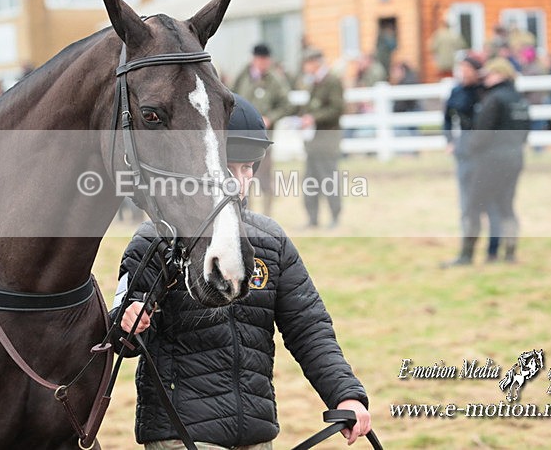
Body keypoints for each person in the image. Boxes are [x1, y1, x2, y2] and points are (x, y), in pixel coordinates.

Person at [112, 94, 371, 449]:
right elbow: (122, 334)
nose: (238, 180)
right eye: (228, 168)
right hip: (183, 434)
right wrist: (127, 321)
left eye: (247, 168)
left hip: (255, 433)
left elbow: (309, 328)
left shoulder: (272, 242)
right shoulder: (154, 240)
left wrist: (345, 395)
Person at [464, 58, 530, 263]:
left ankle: (466, 254)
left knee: (473, 206)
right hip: (515, 158)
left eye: (489, 75)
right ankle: (509, 253)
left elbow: (483, 132)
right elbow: (525, 132)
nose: (486, 79)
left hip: (492, 160)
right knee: (506, 207)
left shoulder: (494, 99)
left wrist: (471, 148)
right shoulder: (519, 100)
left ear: (500, 74)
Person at [441, 56, 499, 266]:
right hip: (465, 153)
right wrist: (449, 141)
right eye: (461, 69)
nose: (463, 73)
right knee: (467, 205)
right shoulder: (457, 92)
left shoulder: (485, 92)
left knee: (490, 204)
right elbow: (447, 118)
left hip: (484, 154)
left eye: (467, 69)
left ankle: (494, 250)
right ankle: (467, 252)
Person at [230, 43, 293, 216]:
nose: (263, 63)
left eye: (266, 60)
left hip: (263, 140)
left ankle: (266, 216)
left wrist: (270, 118)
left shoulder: (275, 80)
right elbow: (230, 96)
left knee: (264, 178)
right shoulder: (243, 75)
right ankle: (245, 213)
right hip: (241, 138)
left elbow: (286, 104)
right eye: (260, 60)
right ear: (254, 59)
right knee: (241, 178)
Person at [298, 47, 344, 228]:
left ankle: (335, 216)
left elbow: (337, 109)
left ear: (315, 63)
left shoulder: (332, 81)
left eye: (307, 63)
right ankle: (312, 218)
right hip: (313, 141)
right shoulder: (314, 83)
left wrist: (313, 117)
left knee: (328, 179)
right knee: (310, 180)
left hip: (327, 139)